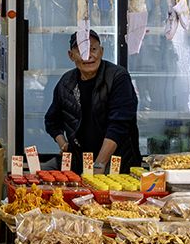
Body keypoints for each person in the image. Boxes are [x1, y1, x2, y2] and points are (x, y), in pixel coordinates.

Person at [44, 32, 140, 172]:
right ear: (71, 55)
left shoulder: (118, 78)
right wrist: (63, 143)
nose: (88, 56)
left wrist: (99, 165)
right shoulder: (66, 82)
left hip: (113, 164)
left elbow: (118, 126)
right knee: (40, 173)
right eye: (82, 51)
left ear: (101, 51)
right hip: (78, 161)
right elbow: (52, 121)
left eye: (93, 49)